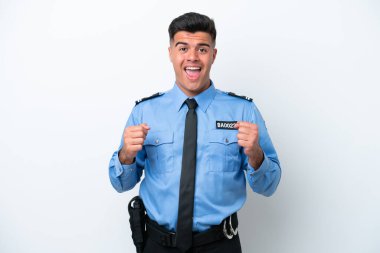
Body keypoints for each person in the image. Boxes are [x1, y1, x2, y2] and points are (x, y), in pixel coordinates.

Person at [109, 12, 281, 253]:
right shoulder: (144, 112)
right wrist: (125, 155)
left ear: (213, 55)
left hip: (220, 245)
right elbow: (121, 184)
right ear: (170, 53)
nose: (192, 57)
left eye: (202, 49)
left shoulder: (243, 111)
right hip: (158, 245)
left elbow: (269, 186)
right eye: (183, 48)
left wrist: (256, 155)